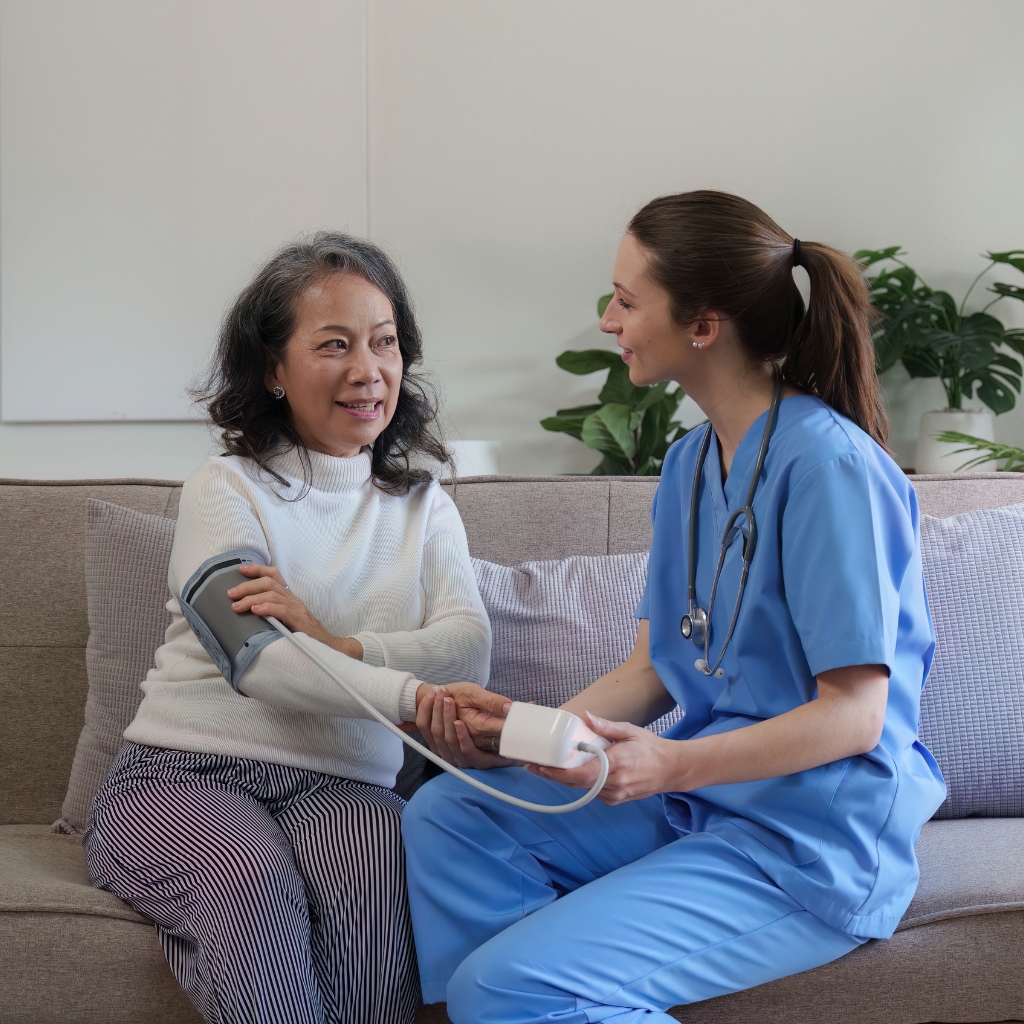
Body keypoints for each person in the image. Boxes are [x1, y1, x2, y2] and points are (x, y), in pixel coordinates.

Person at [402, 191, 947, 1024]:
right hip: (709, 801)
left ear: (703, 325)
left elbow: (856, 716)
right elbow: (656, 668)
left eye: (627, 301)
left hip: (806, 840)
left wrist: (669, 766)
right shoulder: (690, 465)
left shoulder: (831, 469)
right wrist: (524, 733)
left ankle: (530, 997)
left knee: (501, 988)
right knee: (453, 813)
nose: (608, 321)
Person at [84, 233, 507, 1024]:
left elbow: (467, 650)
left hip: (345, 784)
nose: (368, 370)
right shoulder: (225, 489)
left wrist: (334, 642)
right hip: (185, 776)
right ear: (274, 369)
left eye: (384, 343)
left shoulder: (426, 509)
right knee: (248, 881)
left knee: (378, 887)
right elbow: (260, 662)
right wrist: (413, 694)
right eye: (334, 345)